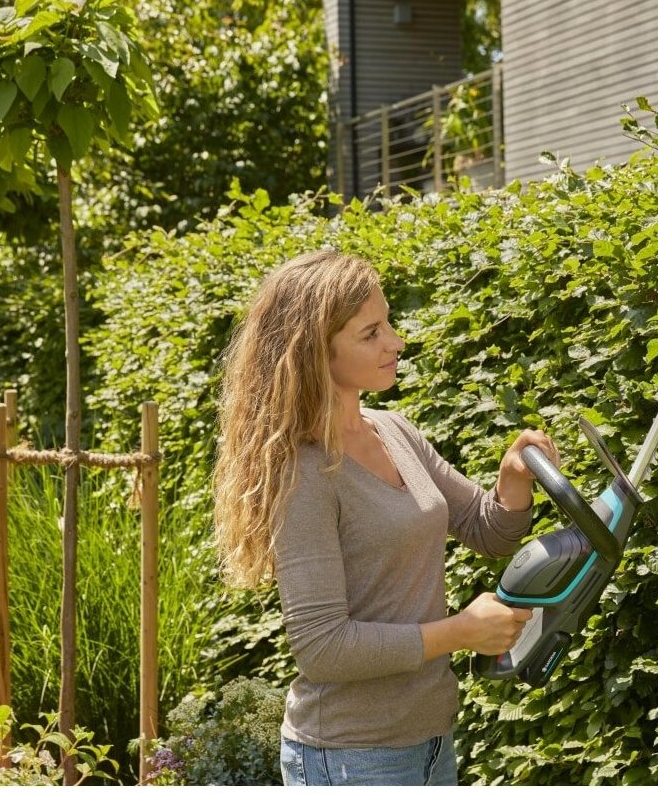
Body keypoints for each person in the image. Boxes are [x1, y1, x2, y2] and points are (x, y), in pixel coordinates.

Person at [212, 250, 560, 786]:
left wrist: (513, 479)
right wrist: (461, 632)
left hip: (431, 738)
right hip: (351, 758)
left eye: (388, 324)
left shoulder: (394, 431)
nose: (395, 342)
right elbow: (322, 648)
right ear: (315, 352)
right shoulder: (304, 473)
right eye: (371, 333)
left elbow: (487, 529)